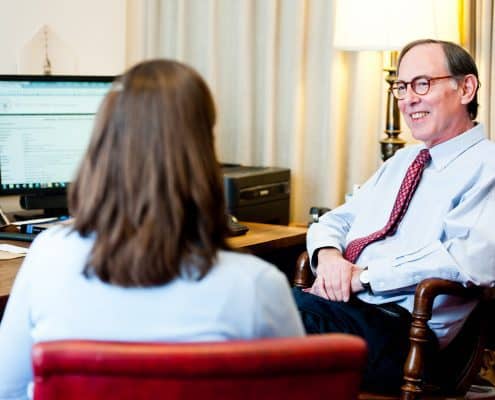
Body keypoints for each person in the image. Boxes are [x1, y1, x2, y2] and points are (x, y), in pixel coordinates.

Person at [0, 59, 304, 399]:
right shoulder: (257, 286)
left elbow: (8, 388)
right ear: (203, 151)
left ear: (101, 144)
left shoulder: (48, 256)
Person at [293, 39, 495, 392]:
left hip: (405, 336)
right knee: (246, 300)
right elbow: (335, 221)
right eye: (402, 87)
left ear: (466, 88)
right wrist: (329, 259)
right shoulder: (402, 161)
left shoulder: (488, 166)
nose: (407, 99)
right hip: (348, 311)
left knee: (257, 309)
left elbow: (465, 262)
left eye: (422, 84)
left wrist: (364, 277)